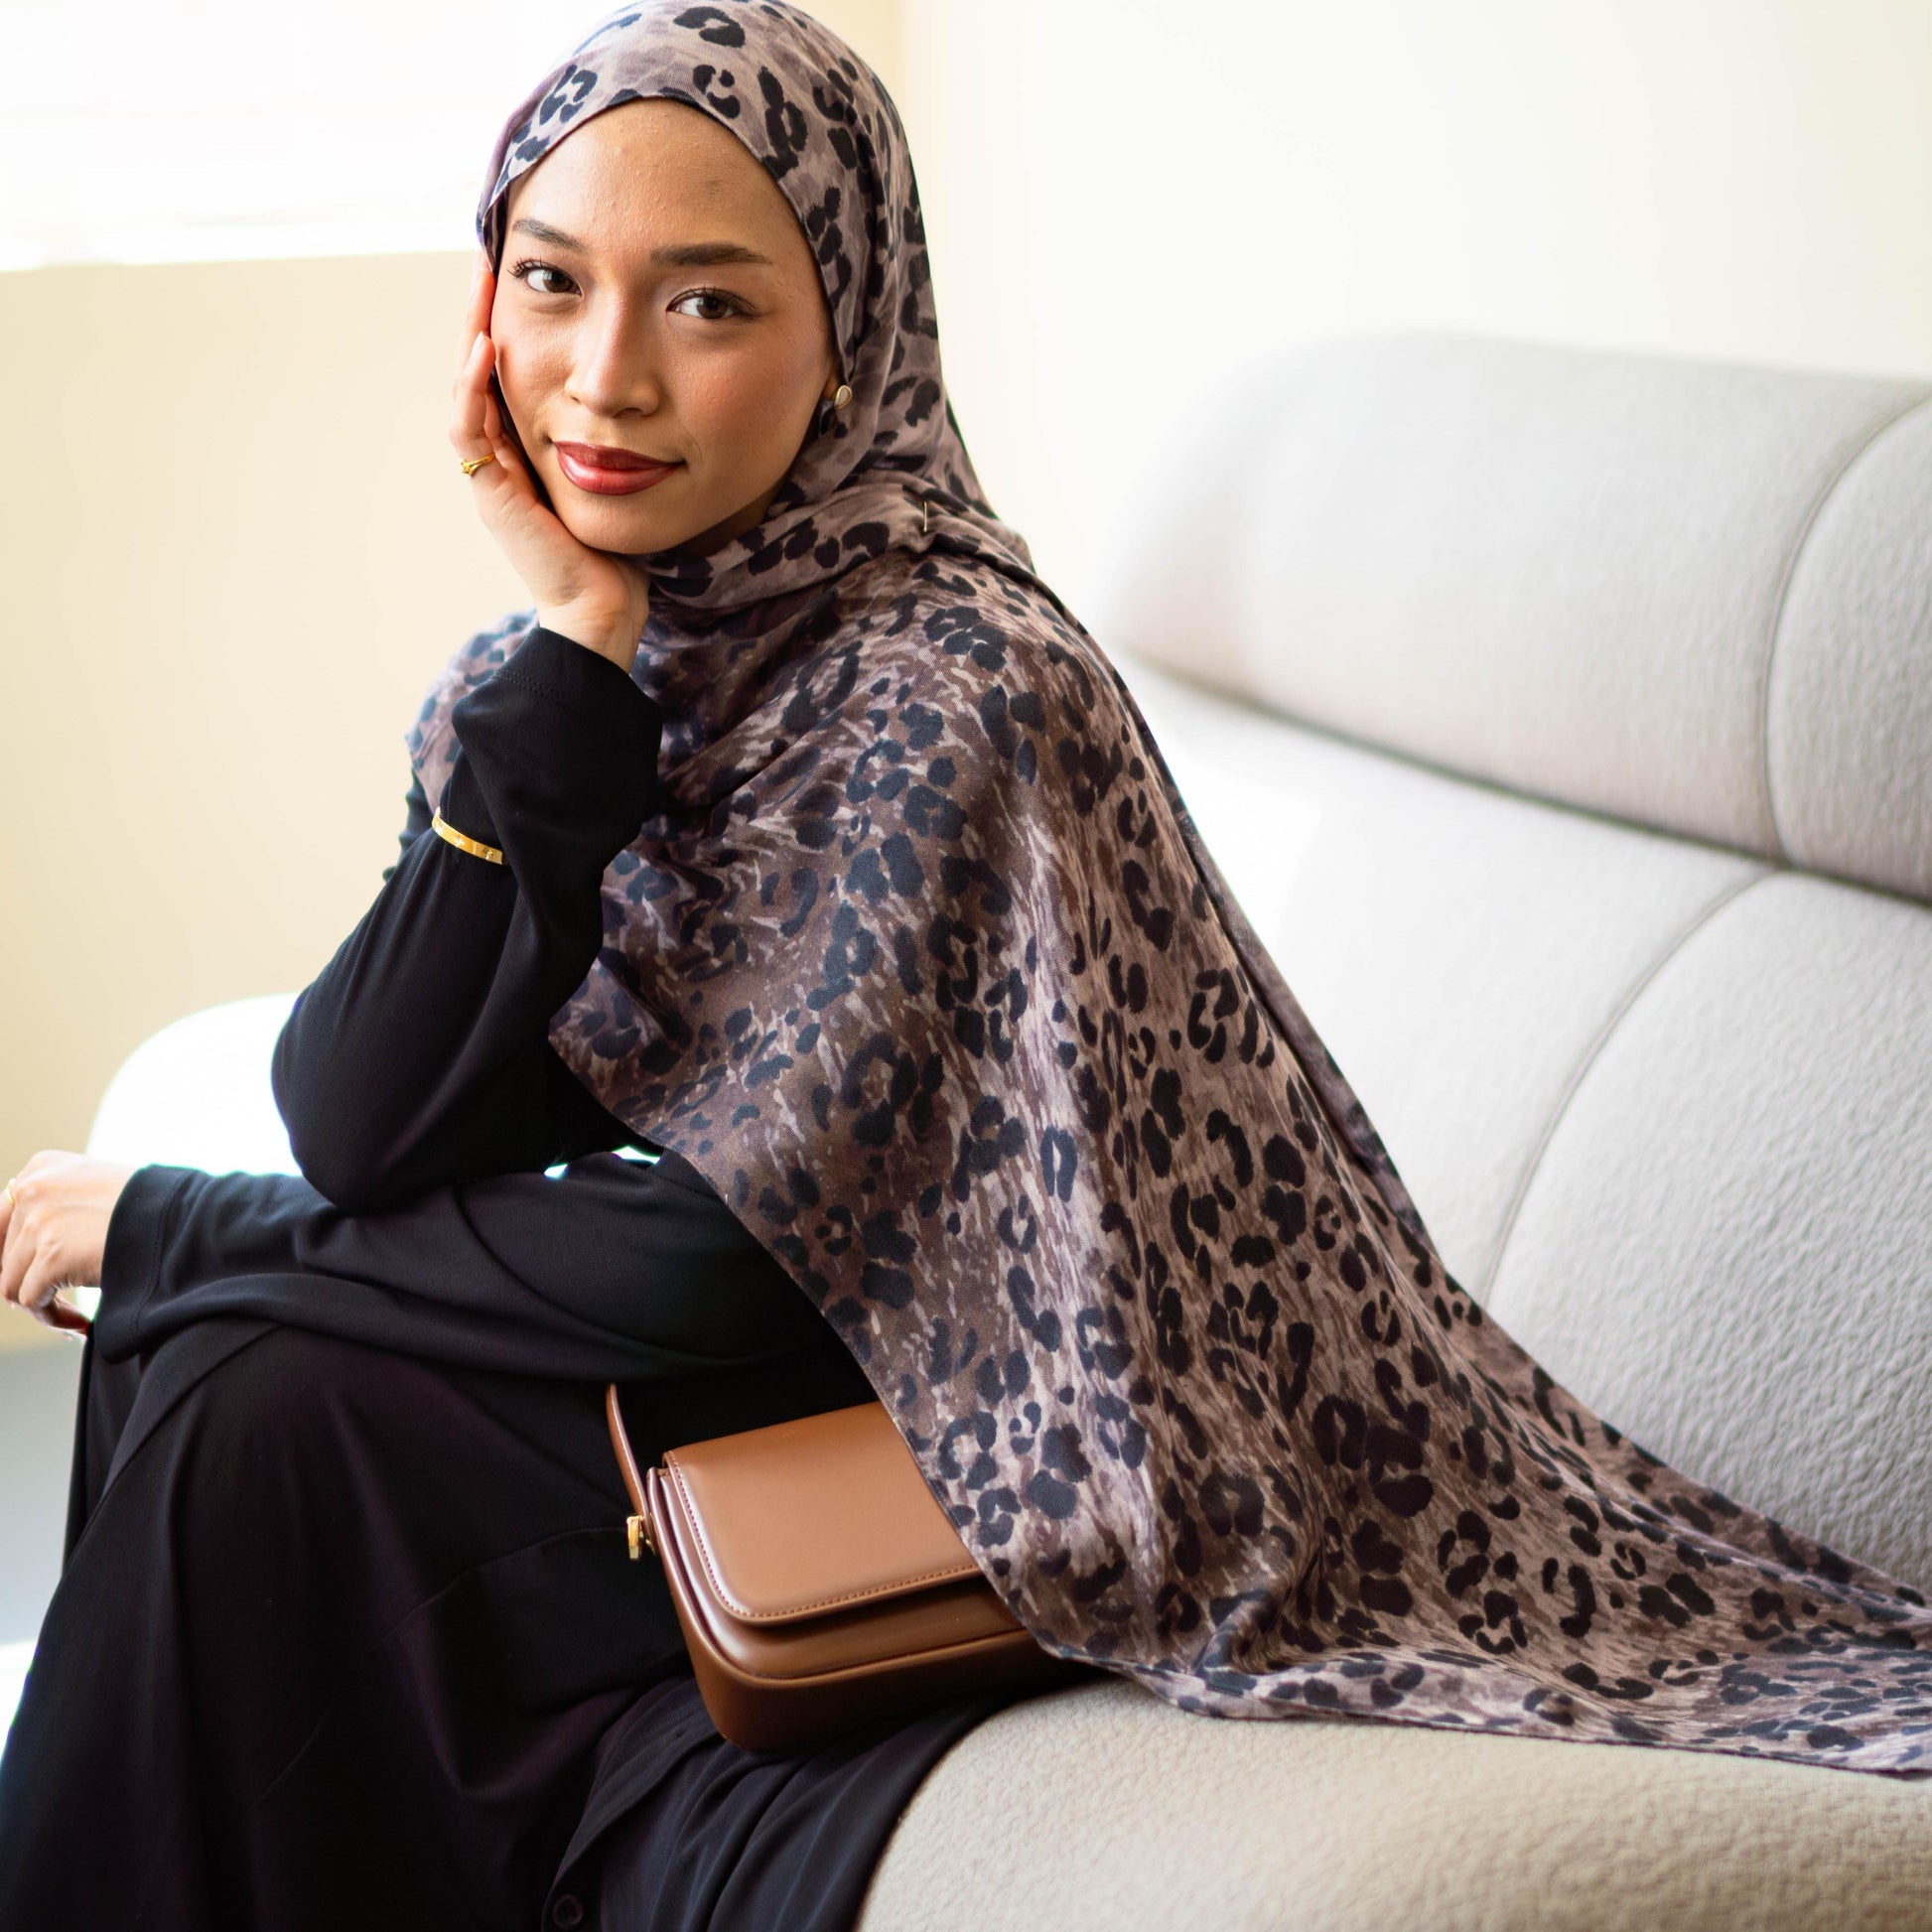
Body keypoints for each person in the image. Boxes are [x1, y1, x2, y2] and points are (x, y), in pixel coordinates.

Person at [7, 0, 1932, 1921]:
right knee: (234, 1380)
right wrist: (574, 654)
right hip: (726, 1382)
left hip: (1008, 1428)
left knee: (245, 1390)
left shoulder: (960, 688)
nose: (603, 378)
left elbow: (727, 1260)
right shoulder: (585, 673)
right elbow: (361, 1115)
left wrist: (188, 1224)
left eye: (706, 302)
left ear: (851, 330)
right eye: (550, 281)